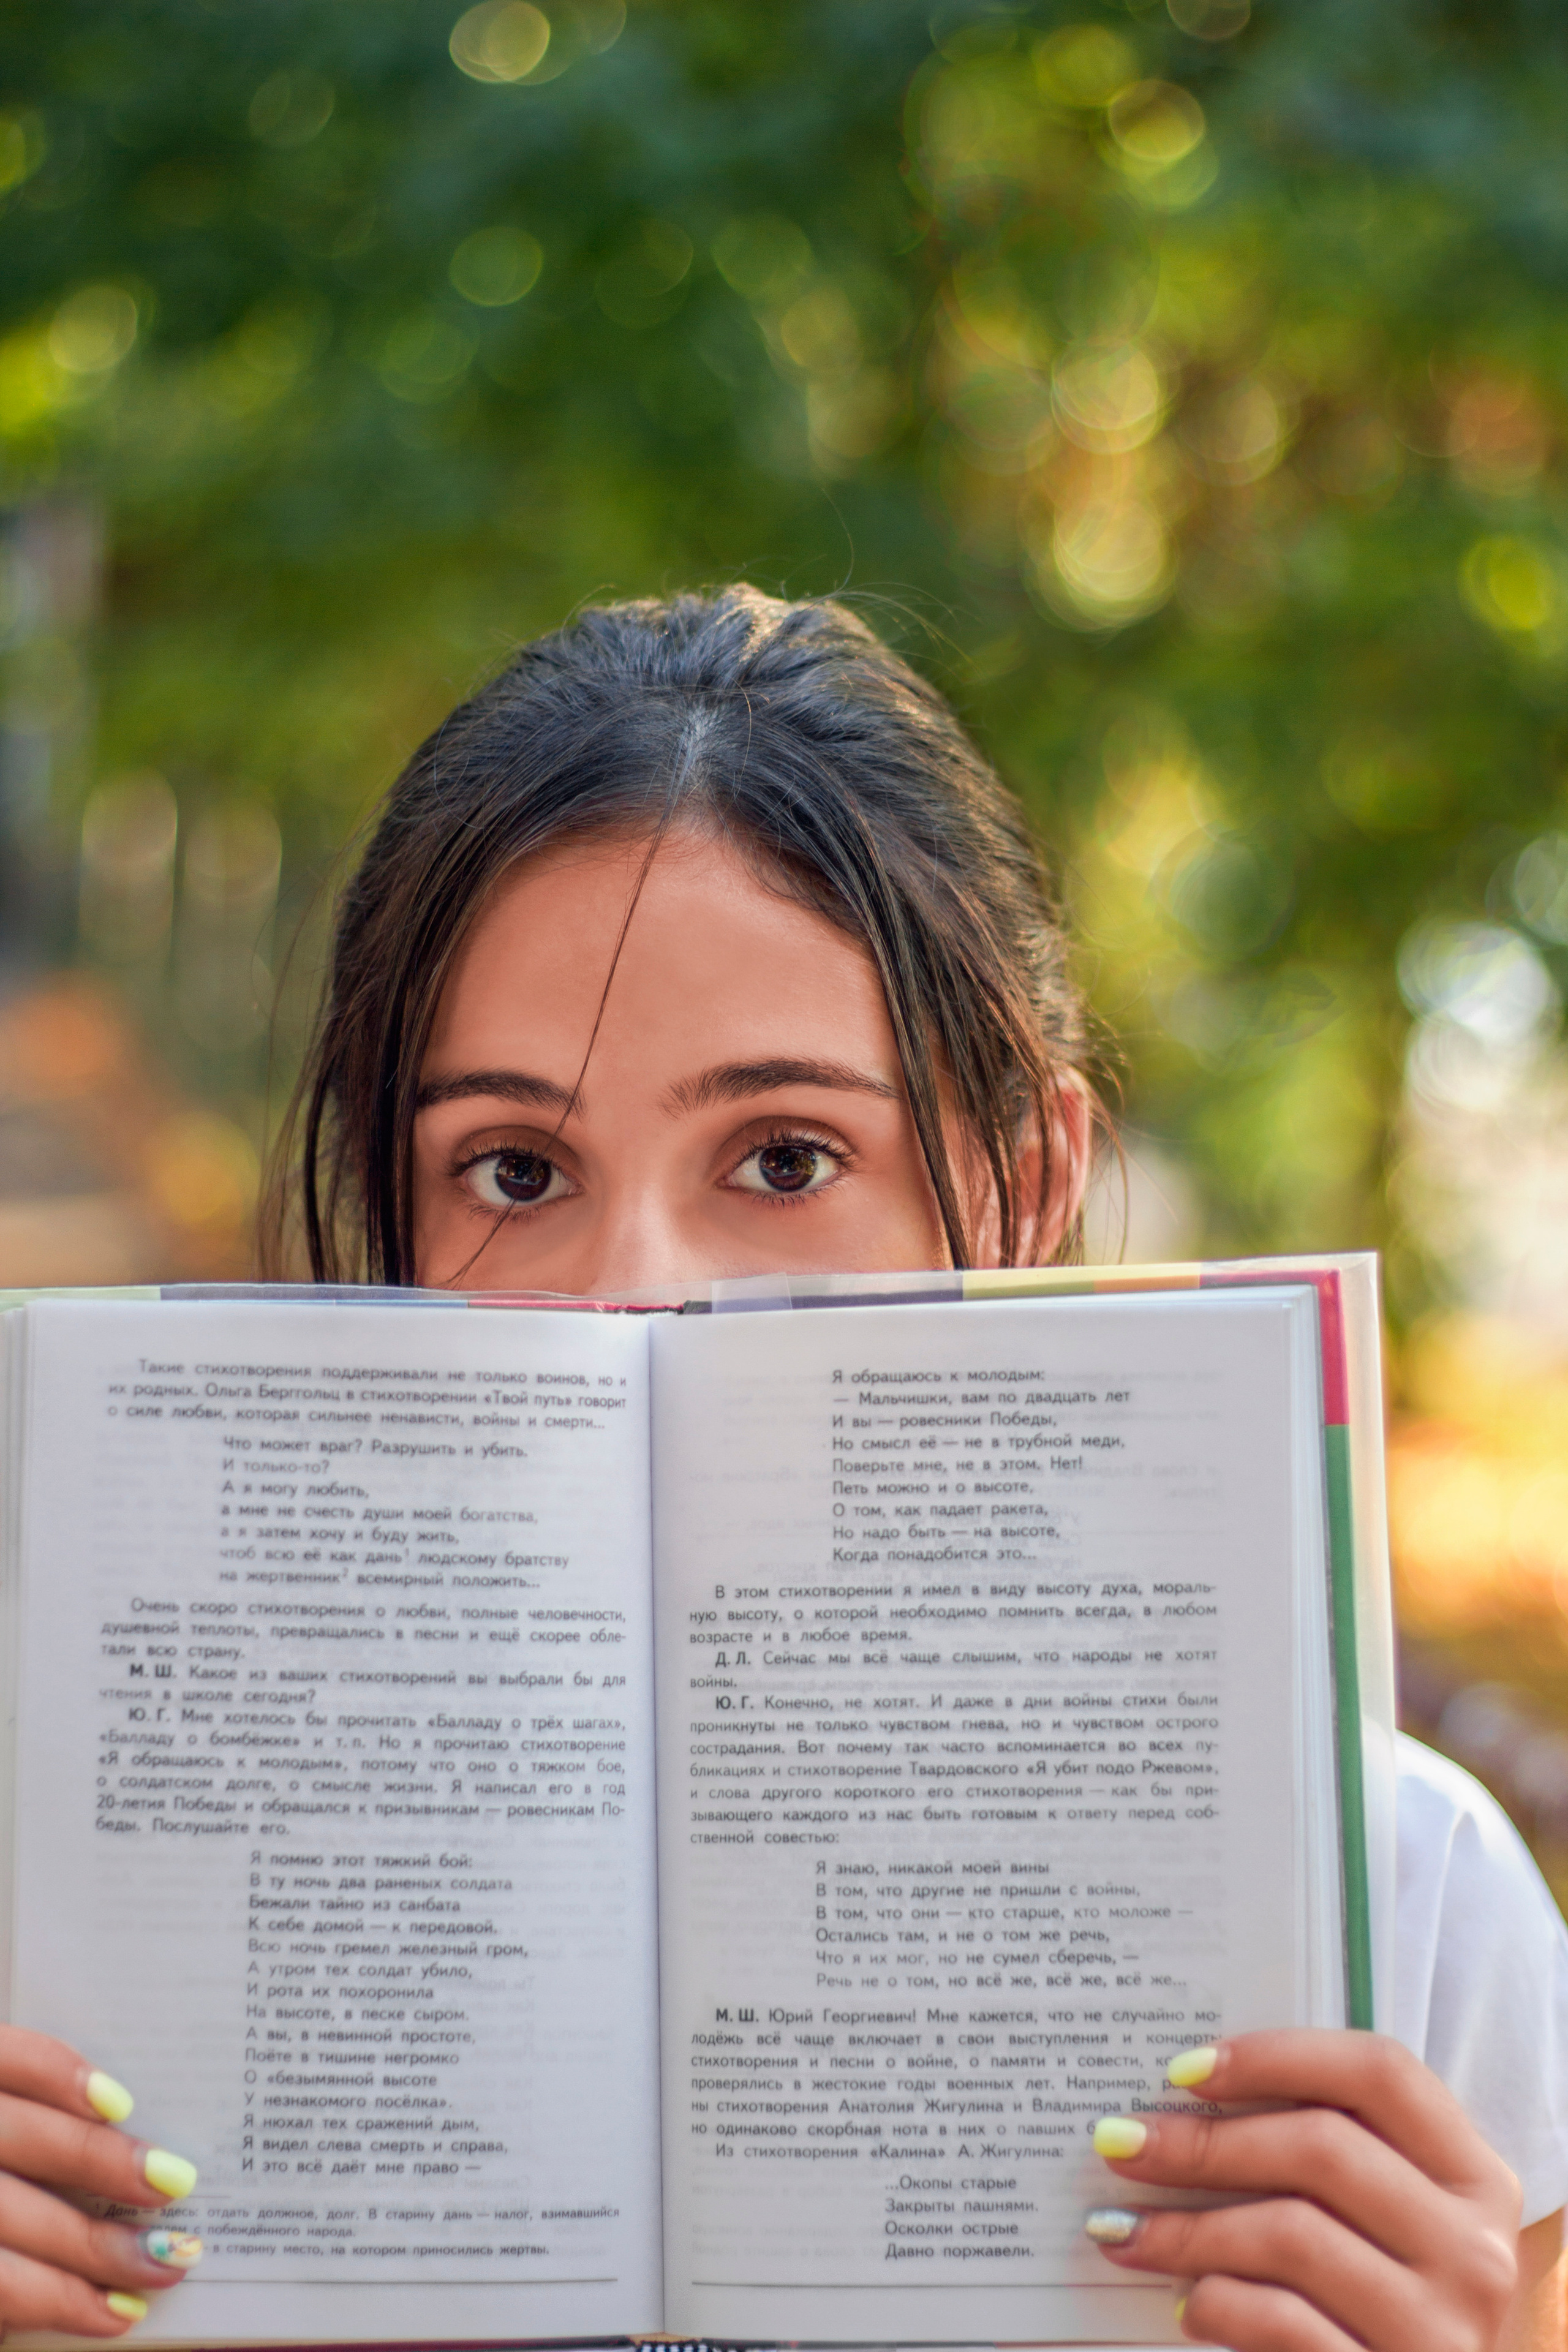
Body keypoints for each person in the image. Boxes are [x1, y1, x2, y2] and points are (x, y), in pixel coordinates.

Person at [1, 587, 1562, 2346]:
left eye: (789, 1154)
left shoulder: (1398, 1901)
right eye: (514, 1171)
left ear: (1034, 1179)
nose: (644, 1294)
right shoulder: (71, 1896)